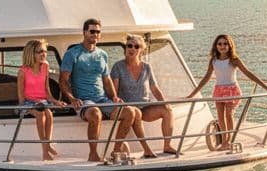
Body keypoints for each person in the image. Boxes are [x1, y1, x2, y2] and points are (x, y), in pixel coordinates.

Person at [59, 18, 140, 162]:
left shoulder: (103, 54)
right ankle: (93, 154)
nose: (95, 34)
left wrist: (114, 97)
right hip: (84, 101)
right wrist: (72, 98)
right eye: (92, 31)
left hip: (102, 99)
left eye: (98, 32)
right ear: (84, 32)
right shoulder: (73, 54)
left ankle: (116, 151)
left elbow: (107, 80)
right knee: (95, 113)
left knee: (129, 112)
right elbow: (63, 80)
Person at [186, 33, 267, 150]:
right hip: (219, 90)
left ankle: (229, 141)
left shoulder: (234, 60)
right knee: (220, 116)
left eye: (225, 43)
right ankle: (224, 141)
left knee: (229, 114)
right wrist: (193, 94)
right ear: (216, 46)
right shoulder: (213, 61)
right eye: (220, 44)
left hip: (232, 90)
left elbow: (248, 74)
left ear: (230, 45)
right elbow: (206, 78)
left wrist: (266, 87)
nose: (222, 46)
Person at [111, 34, 177, 156]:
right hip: (128, 107)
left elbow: (154, 88)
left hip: (145, 106)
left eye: (136, 46)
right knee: (136, 112)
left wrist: (165, 102)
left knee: (167, 111)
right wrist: (116, 99)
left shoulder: (147, 67)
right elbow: (113, 90)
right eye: (129, 46)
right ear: (125, 48)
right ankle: (146, 149)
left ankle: (167, 146)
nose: (132, 49)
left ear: (141, 50)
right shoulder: (118, 67)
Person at [18, 39, 64, 160]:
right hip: (28, 102)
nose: (43, 54)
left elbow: (47, 91)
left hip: (42, 101)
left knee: (49, 113)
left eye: (45, 51)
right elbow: (21, 95)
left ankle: (47, 144)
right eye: (40, 52)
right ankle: (45, 151)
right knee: (40, 115)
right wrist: (24, 107)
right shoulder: (23, 71)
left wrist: (55, 101)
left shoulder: (45, 66)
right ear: (31, 53)